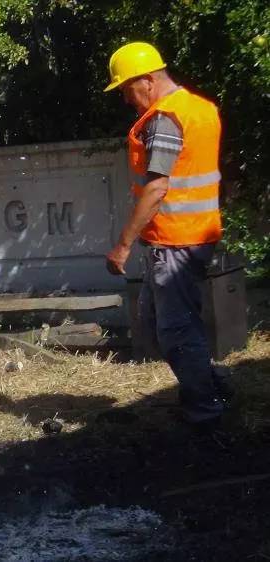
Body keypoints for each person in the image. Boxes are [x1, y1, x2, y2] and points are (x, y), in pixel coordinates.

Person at [102, 41, 230, 430]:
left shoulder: (165, 119)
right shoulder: (201, 109)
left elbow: (157, 188)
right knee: (162, 322)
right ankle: (211, 385)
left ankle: (205, 410)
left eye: (126, 88)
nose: (126, 98)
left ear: (147, 80)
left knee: (175, 330)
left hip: (176, 240)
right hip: (196, 235)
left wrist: (123, 243)